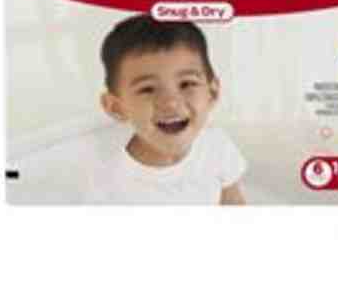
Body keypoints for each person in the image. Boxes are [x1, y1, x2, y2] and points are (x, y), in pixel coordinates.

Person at [87, 14, 246, 204]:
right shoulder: (108, 180)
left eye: (186, 84)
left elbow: (232, 201)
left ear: (211, 93)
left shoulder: (217, 146)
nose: (171, 102)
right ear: (116, 107)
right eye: (147, 89)